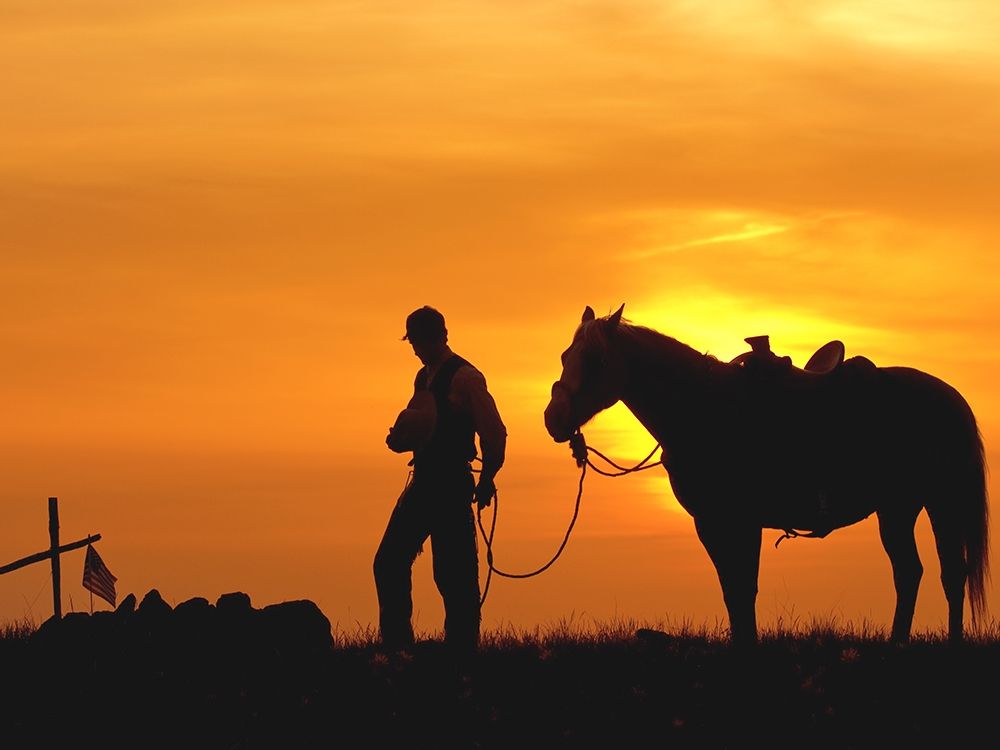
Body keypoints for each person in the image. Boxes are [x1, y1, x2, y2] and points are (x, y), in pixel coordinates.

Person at [374, 306, 507, 655]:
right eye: (412, 342)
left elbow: (494, 433)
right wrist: (402, 437)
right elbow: (422, 424)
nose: (416, 349)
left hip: (451, 485)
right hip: (423, 481)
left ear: (440, 336)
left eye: (419, 341)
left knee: (454, 575)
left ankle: (462, 651)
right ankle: (397, 648)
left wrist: (488, 479)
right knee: (389, 560)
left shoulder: (466, 377)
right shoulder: (422, 378)